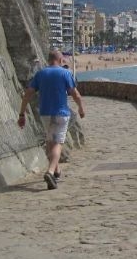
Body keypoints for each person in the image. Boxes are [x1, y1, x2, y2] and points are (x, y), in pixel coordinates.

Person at [18, 50, 86, 190]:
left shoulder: (41, 74)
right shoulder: (65, 73)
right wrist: (81, 108)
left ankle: (56, 171)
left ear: (48, 60)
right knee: (58, 144)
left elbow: (27, 94)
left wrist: (22, 113)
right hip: (61, 113)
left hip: (45, 114)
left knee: (50, 142)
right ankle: (49, 171)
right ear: (60, 60)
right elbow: (75, 94)